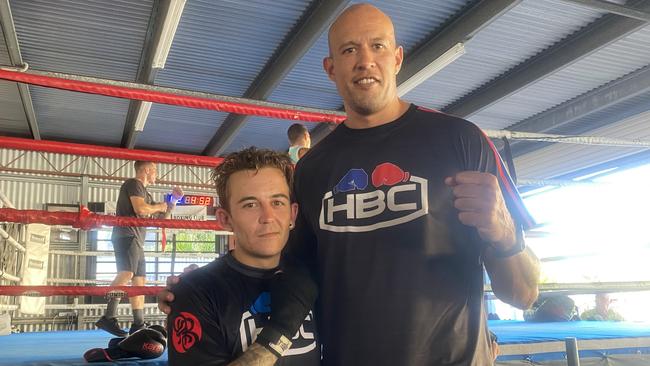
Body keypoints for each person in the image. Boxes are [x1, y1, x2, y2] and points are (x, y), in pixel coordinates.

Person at [161, 4, 540, 365]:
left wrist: (505, 234)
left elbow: (523, 294)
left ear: (397, 58)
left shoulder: (462, 141)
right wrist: (198, 291)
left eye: (378, 46)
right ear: (330, 67)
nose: (365, 60)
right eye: (349, 49)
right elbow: (288, 270)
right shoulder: (313, 170)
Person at [166, 147, 320, 365]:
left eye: (277, 202)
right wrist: (279, 334)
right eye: (250, 204)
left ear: (292, 214)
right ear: (225, 219)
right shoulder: (197, 293)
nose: (268, 217)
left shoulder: (315, 274)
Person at [95, 161, 183, 337]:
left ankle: (138, 323)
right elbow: (141, 210)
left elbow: (161, 220)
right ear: (147, 170)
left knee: (140, 280)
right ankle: (108, 316)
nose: (156, 175)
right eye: (155, 171)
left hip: (136, 239)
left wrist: (172, 201)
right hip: (126, 235)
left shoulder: (146, 193)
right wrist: (159, 205)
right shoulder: (134, 184)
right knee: (126, 273)